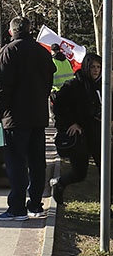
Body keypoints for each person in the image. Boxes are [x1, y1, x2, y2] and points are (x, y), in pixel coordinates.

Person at [0, 16, 55, 220]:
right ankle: (35, 204)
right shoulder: (42, 52)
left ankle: (17, 208)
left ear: (10, 32)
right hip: (38, 116)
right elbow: (48, 82)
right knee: (36, 162)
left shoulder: (8, 51)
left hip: (15, 118)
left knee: (16, 162)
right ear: (29, 30)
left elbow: (0, 87)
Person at [50, 53, 102, 204]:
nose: (96, 70)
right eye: (92, 67)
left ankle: (107, 205)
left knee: (106, 171)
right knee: (80, 173)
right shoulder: (74, 85)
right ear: (86, 67)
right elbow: (59, 107)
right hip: (80, 136)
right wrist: (70, 123)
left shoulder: (103, 86)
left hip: (98, 134)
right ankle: (60, 184)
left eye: (98, 67)